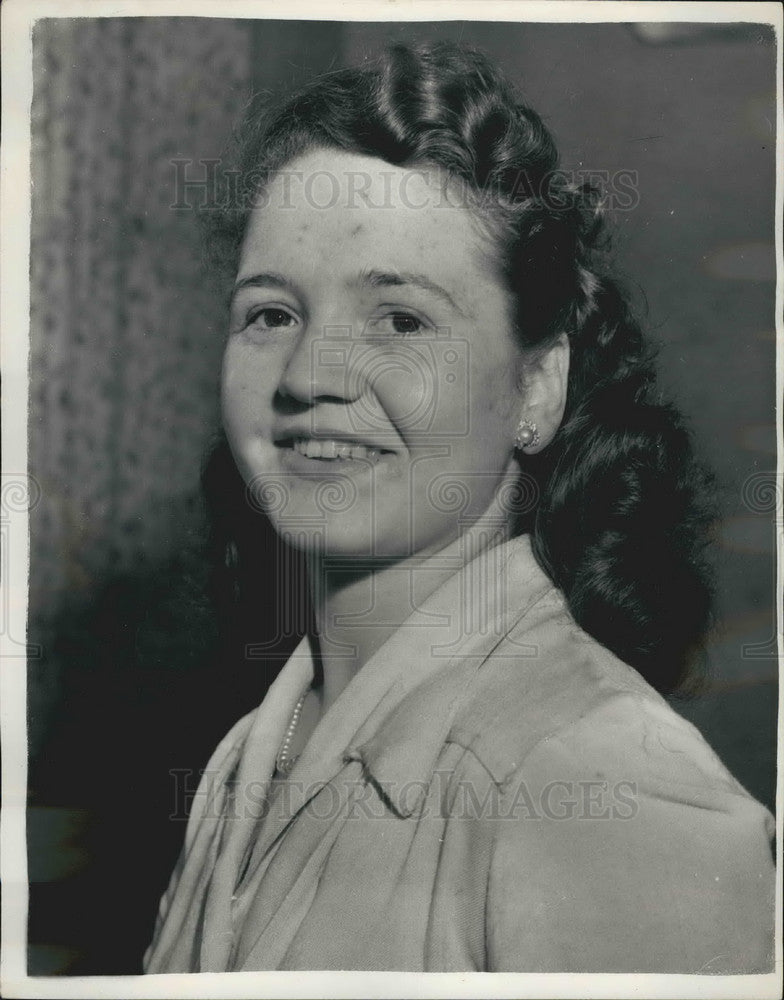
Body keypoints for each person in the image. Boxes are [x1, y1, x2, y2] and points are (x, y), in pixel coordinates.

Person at [143, 42, 774, 974]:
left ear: (537, 389)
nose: (311, 376)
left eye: (401, 320)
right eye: (272, 314)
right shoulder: (250, 756)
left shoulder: (605, 781)